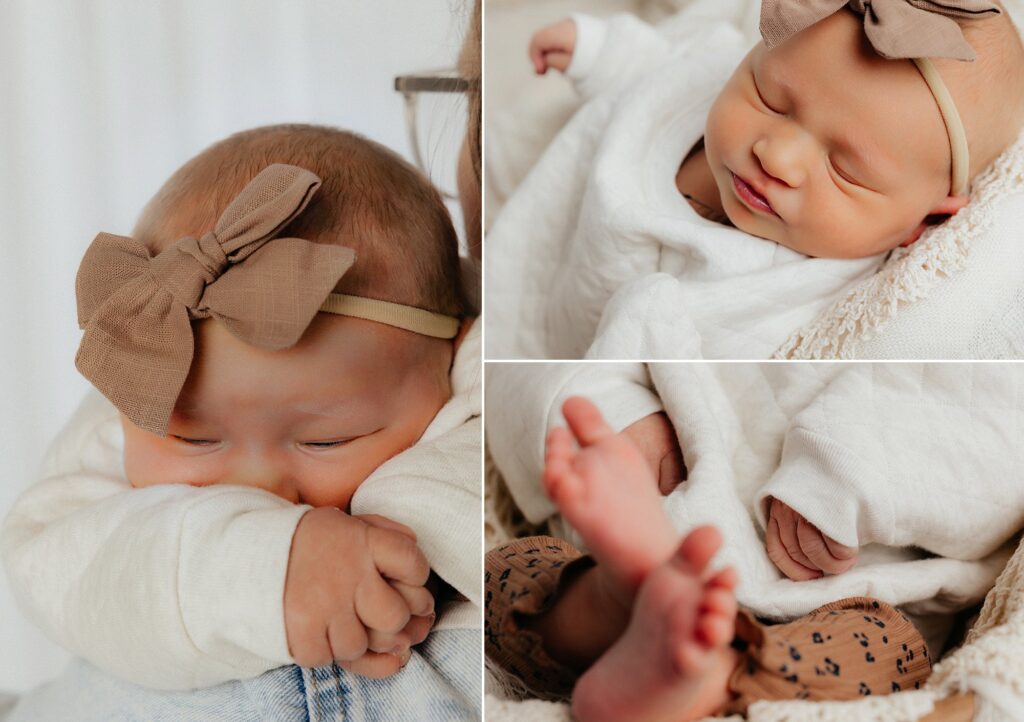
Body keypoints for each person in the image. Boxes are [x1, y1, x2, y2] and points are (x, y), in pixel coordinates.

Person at [1, 124, 481, 719]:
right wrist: (259, 569)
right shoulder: (122, 415)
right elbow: (59, 568)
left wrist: (407, 548)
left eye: (325, 440)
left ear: (452, 355)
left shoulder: (489, 399)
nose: (256, 487)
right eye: (193, 437)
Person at [485, 2, 1024, 359]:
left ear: (923, 222)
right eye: (769, 98)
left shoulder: (810, 304)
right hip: (531, 278)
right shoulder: (706, 82)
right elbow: (670, 67)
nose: (776, 157)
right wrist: (597, 52)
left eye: (844, 169)